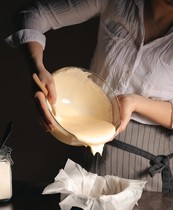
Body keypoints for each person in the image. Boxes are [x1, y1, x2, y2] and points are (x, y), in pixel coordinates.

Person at [5, 0, 173, 192]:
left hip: (148, 164)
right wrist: (37, 69)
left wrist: (136, 102)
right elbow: (31, 15)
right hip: (88, 143)